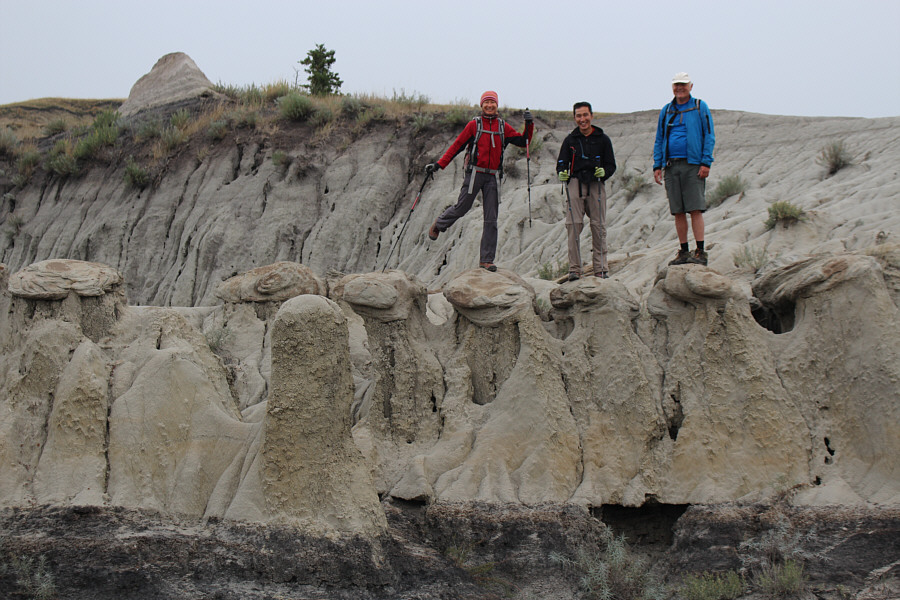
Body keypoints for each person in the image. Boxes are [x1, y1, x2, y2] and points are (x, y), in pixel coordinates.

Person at [425, 91, 534, 272]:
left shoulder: (503, 127)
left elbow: (524, 141)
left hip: (493, 177)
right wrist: (439, 165)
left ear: (497, 105)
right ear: (481, 105)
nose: (490, 105)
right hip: (475, 173)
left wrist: (529, 124)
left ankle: (486, 260)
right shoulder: (474, 125)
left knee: (491, 219)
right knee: (462, 208)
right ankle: (439, 224)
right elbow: (456, 146)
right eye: (486, 102)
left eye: (493, 102)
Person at [652, 72, 715, 266]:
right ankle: (684, 251)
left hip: (693, 164)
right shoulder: (667, 110)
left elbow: (709, 135)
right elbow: (660, 138)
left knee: (695, 208)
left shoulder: (699, 107)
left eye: (683, 84)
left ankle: (700, 251)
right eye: (676, 85)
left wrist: (706, 162)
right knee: (678, 211)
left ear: (690, 86)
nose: (680, 88)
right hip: (671, 166)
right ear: (672, 87)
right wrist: (657, 165)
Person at [556, 101, 616, 280]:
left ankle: (601, 269)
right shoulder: (570, 140)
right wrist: (562, 173)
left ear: (591, 115)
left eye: (585, 115)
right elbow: (561, 163)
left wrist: (604, 172)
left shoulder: (603, 139)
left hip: (596, 184)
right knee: (573, 225)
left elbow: (611, 164)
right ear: (574, 118)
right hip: (575, 183)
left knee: (598, 226)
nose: (582, 119)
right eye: (579, 116)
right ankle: (575, 270)